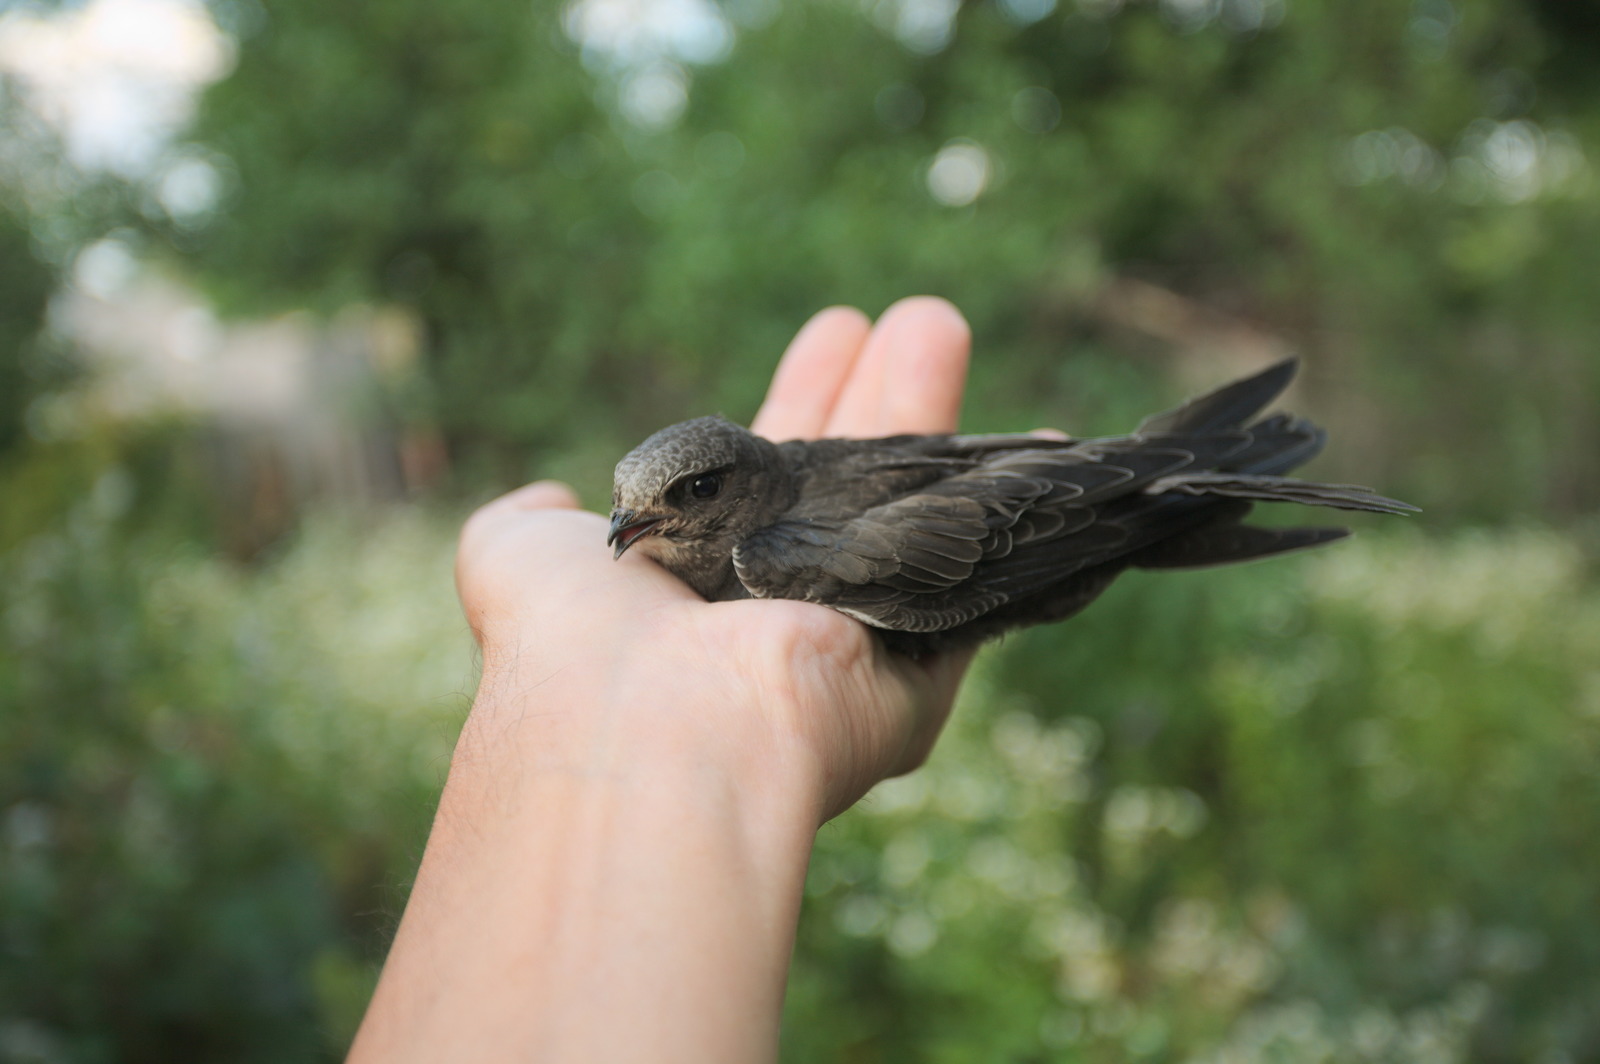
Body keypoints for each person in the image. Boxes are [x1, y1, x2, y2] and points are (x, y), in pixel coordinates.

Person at [347, 297, 977, 1063]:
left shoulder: (769, 552)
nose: (627, 526)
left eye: (693, 493)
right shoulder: (680, 546)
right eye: (624, 506)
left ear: (740, 485)